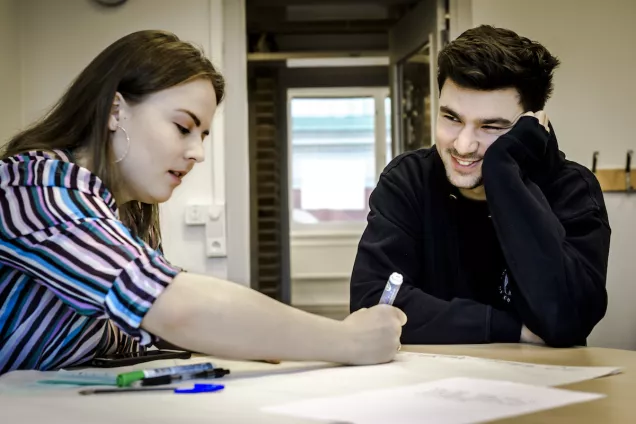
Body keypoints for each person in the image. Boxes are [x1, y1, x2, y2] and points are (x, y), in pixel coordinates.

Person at [0, 30, 406, 374]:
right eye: (183, 127)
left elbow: (150, 325)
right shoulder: (37, 188)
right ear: (114, 111)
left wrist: (255, 332)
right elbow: (173, 306)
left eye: (204, 135)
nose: (197, 152)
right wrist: (347, 340)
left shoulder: (121, 211)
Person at [350, 25, 610, 348]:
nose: (463, 144)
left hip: (543, 386)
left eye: (490, 126)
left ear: (531, 125)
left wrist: (503, 172)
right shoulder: (408, 181)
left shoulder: (572, 189)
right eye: (452, 118)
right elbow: (371, 302)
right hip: (426, 386)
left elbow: (566, 320)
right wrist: (505, 328)